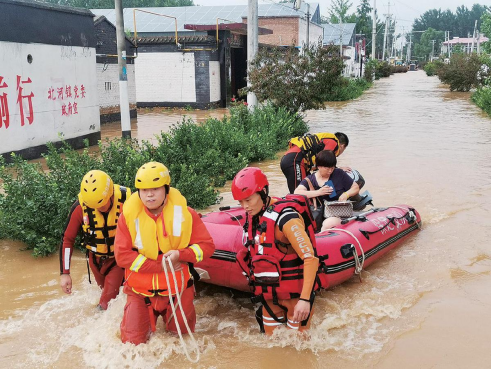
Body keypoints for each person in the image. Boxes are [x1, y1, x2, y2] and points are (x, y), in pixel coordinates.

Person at [114, 162, 215, 345]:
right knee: (131, 344)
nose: (149, 194)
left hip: (178, 290)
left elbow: (207, 247)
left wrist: (180, 254)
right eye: (144, 190)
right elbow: (122, 256)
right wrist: (159, 265)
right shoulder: (128, 217)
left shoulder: (186, 214)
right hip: (140, 292)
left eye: (155, 188)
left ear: (166, 189)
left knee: (181, 341)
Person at [232, 167, 321, 335]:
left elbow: (310, 258)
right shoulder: (254, 217)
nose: (245, 207)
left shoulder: (287, 219)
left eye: (248, 200)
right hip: (269, 299)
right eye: (240, 202)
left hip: (295, 298)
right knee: (272, 349)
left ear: (263, 192)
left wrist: (304, 300)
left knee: (299, 351)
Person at [59, 170, 130, 310]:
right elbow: (67, 239)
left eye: (102, 205)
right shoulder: (80, 207)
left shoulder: (127, 201)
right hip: (95, 261)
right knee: (111, 299)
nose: (98, 209)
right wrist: (65, 273)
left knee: (104, 305)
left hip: (119, 260)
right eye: (94, 206)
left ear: (110, 194)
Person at [295, 150, 360, 232]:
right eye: (327, 168)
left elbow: (355, 187)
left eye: (332, 168)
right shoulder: (310, 180)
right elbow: (297, 192)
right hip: (318, 216)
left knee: (327, 224)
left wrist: (346, 194)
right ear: (318, 166)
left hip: (338, 214)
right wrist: (318, 192)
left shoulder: (339, 174)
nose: (330, 171)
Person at [280, 132, 350, 194]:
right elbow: (325, 160)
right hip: (295, 160)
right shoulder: (333, 143)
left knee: (309, 187)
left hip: (290, 159)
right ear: (342, 146)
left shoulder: (326, 140)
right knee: (299, 194)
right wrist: (338, 170)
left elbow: (322, 165)